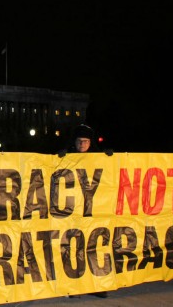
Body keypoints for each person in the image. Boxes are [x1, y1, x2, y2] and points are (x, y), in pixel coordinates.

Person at [59, 124, 111, 299]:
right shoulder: (67, 156)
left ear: (91, 143)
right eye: (80, 141)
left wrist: (111, 159)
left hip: (93, 213)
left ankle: (96, 285)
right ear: (75, 142)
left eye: (86, 141)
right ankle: (73, 285)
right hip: (73, 211)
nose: (82, 145)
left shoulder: (98, 158)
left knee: (94, 248)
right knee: (73, 248)